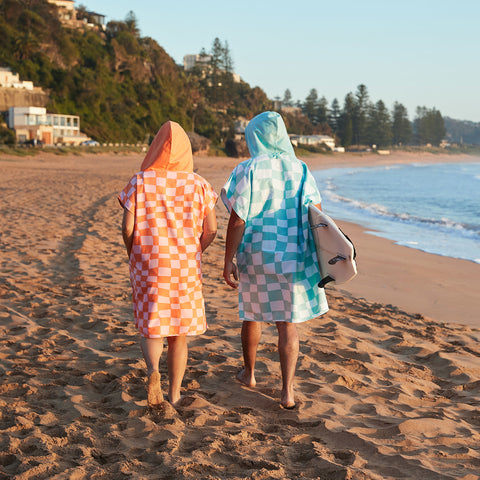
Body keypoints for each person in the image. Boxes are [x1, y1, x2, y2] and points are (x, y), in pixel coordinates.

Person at [221, 111, 328, 409]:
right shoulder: (302, 169)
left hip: (256, 253)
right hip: (293, 255)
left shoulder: (248, 168)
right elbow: (317, 214)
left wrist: (228, 258)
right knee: (287, 323)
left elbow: (237, 217)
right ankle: (287, 393)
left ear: (255, 138)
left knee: (252, 313)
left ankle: (250, 374)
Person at [119, 121, 217, 406]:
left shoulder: (140, 181)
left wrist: (133, 251)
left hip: (149, 261)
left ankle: (152, 372)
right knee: (178, 332)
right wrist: (195, 250)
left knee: (152, 326)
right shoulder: (199, 184)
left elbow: (127, 228)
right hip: (184, 264)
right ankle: (174, 394)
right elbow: (210, 230)